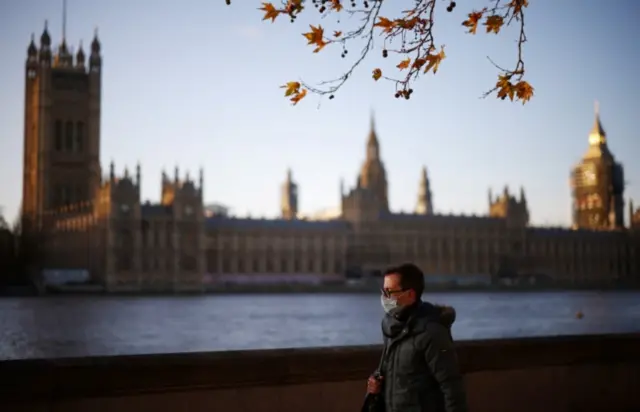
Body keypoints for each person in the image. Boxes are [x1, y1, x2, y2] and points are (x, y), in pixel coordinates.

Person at [363, 263, 468, 412]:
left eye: (389, 292)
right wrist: (376, 384)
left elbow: (451, 387)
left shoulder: (432, 332)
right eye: (383, 292)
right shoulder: (392, 326)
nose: (384, 298)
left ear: (410, 295)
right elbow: (397, 370)